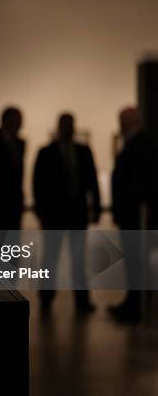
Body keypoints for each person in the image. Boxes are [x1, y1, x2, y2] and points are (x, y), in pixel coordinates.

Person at [33, 113, 101, 314]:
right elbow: (38, 185)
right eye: (65, 125)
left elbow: (92, 181)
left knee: (78, 259)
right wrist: (42, 213)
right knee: (50, 259)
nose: (68, 129)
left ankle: (82, 301)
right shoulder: (46, 152)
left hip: (77, 213)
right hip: (54, 215)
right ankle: (46, 298)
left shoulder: (83, 151)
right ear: (59, 127)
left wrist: (95, 207)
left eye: (70, 125)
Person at [109, 107, 145, 323]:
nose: (119, 125)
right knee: (132, 262)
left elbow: (136, 181)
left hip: (134, 215)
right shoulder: (136, 143)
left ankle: (134, 308)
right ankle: (132, 304)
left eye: (122, 120)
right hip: (131, 214)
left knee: (135, 262)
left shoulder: (139, 143)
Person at [0, 107, 25, 230]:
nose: (19, 124)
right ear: (5, 121)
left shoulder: (19, 143)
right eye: (16, 120)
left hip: (14, 204)